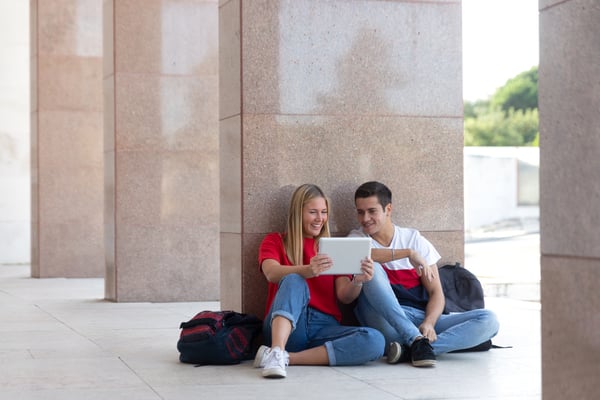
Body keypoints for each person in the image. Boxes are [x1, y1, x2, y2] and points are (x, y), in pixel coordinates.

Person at [348, 181, 499, 368]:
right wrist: (409, 254)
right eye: (360, 212)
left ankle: (412, 349)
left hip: (419, 317)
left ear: (388, 209)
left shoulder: (414, 239)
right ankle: (416, 341)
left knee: (489, 320)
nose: (365, 218)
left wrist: (428, 322)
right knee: (371, 267)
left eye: (372, 211)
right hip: (385, 321)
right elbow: (362, 255)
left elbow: (436, 293)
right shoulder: (356, 239)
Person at [253, 184, 385, 379]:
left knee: (375, 340)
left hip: (323, 328)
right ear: (298, 213)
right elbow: (271, 273)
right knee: (294, 280)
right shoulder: (275, 241)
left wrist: (358, 281)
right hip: (287, 326)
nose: (319, 219)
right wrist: (307, 270)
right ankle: (278, 348)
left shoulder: (332, 247)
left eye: (323, 212)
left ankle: (282, 357)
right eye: (313, 212)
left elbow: (345, 297)